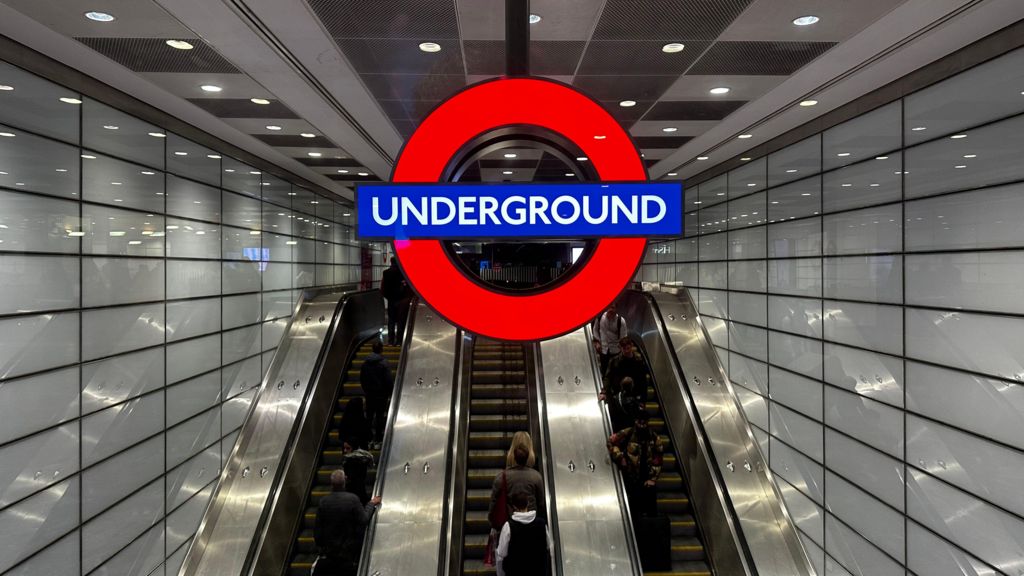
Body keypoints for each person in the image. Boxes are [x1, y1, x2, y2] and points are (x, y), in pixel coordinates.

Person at [313, 470, 381, 576]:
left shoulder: (323, 502)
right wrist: (371, 504)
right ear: (345, 482)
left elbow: (317, 532)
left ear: (331, 484)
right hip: (346, 557)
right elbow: (363, 520)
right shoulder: (352, 500)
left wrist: (321, 547)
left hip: (328, 556)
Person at [608, 407, 664, 522]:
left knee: (649, 512)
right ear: (635, 421)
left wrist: (653, 479)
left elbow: (657, 459)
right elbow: (611, 442)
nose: (642, 425)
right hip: (631, 478)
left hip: (646, 479)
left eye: (644, 422)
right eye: (639, 422)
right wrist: (619, 457)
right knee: (633, 510)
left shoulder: (654, 437)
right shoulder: (628, 433)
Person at [489, 431, 546, 533]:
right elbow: (541, 504)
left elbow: (493, 504)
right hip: (532, 526)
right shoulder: (536, 477)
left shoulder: (501, 477)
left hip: (509, 527)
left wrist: (493, 524)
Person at [495, 491, 552, 576]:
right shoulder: (541, 523)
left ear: (514, 506)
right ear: (528, 503)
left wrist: (500, 573)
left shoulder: (509, 526)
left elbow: (501, 554)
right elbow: (549, 547)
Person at [359, 340, 393, 448]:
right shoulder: (384, 363)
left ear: (372, 349)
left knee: (369, 417)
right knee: (379, 417)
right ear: (381, 349)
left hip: (369, 394)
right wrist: (390, 393)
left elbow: (362, 379)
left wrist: (366, 391)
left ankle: (369, 440)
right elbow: (388, 380)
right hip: (381, 395)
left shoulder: (365, 364)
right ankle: (378, 440)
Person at [379, 257, 411, 346]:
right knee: (401, 320)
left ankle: (390, 341)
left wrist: (388, 297)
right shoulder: (403, 273)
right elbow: (408, 287)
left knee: (391, 320)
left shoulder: (386, 273)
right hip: (402, 301)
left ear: (391, 262)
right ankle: (399, 341)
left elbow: (383, 288)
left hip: (391, 300)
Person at [592, 303, 628, 375]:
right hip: (603, 350)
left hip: (615, 352)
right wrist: (598, 341)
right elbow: (595, 330)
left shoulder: (621, 321)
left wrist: (622, 349)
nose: (610, 310)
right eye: (609, 307)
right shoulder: (600, 317)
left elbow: (624, 337)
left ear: (616, 309)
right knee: (603, 371)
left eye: (613, 308)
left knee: (614, 373)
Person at [340, 439, 374, 504]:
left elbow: (352, 477)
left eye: (348, 448)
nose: (345, 450)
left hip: (354, 491)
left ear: (354, 448)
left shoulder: (351, 461)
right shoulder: (363, 457)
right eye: (344, 448)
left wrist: (346, 478)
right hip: (360, 490)